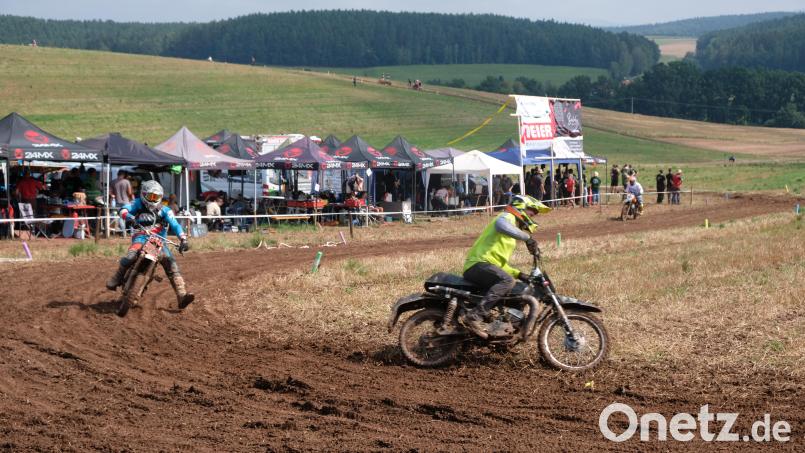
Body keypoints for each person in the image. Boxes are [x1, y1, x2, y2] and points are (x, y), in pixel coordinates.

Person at [461, 195, 550, 338]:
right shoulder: (507, 217)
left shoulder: (510, 232)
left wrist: (520, 274)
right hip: (477, 264)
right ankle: (474, 316)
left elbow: (499, 265)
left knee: (515, 287)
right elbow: (500, 225)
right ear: (521, 208)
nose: (533, 217)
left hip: (485, 265)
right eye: (532, 212)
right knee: (507, 281)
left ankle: (502, 329)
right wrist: (527, 238)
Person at [105, 180, 193, 309]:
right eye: (150, 196)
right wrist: (129, 217)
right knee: (130, 256)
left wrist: (183, 239)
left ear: (161, 197)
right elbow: (123, 209)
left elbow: (175, 225)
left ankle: (182, 295)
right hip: (141, 238)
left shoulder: (165, 210)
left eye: (156, 197)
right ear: (143, 194)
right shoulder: (137, 203)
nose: (153, 200)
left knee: (171, 265)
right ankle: (117, 278)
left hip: (159, 242)